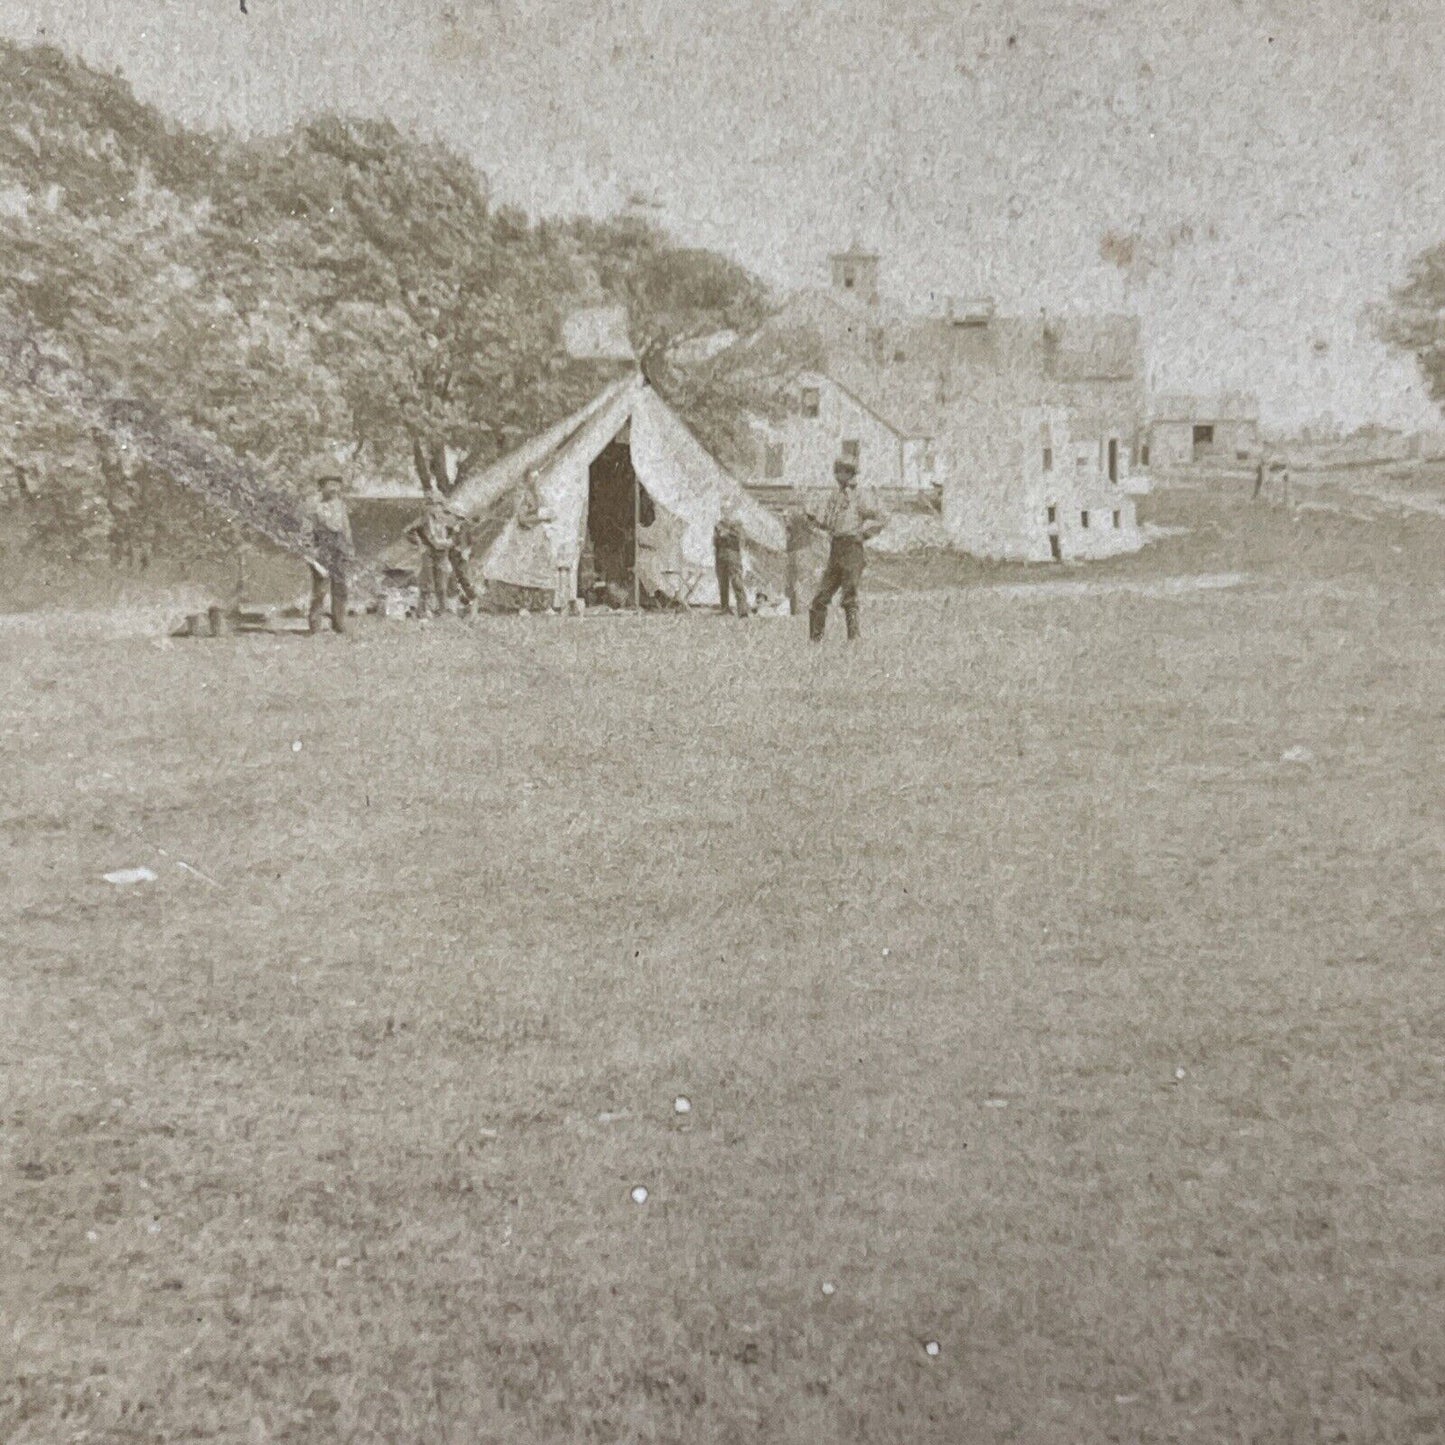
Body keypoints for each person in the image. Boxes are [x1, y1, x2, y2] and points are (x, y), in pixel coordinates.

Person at [807, 456, 884, 642]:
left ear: (848, 473)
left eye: (839, 471)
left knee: (849, 597)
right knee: (819, 599)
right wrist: (814, 521)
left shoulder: (860, 495)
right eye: (836, 471)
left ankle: (854, 639)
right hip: (836, 548)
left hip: (852, 550)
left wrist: (864, 535)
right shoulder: (835, 496)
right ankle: (815, 641)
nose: (836, 475)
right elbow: (829, 523)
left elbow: (881, 517)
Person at [305, 463, 354, 635]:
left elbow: (346, 530)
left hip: (340, 553)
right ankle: (315, 626)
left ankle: (339, 624)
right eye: (330, 484)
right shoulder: (314, 508)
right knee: (320, 591)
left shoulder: (341, 506)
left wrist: (349, 552)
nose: (334, 488)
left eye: (337, 484)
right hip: (322, 554)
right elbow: (307, 535)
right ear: (322, 487)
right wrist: (312, 559)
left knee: (341, 590)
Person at [404, 487, 455, 618]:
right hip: (428, 553)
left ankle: (442, 611)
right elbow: (409, 531)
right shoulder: (425, 520)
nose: (436, 507)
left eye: (438, 504)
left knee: (442, 584)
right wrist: (419, 542)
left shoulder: (447, 519)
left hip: (442, 554)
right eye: (432, 504)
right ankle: (421, 611)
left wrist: (450, 541)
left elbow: (455, 534)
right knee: (426, 583)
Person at [712, 500, 749, 618]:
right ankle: (725, 608)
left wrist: (727, 534)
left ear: (731, 511)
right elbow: (714, 541)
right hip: (720, 556)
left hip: (733, 556)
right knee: (722, 583)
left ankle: (743, 611)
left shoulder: (738, 524)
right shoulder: (718, 524)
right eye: (723, 510)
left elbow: (741, 540)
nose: (725, 512)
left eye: (727, 510)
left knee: (737, 582)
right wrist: (719, 538)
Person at [784, 507, 812, 616]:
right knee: (798, 582)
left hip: (794, 552)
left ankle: (795, 611)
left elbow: (788, 536)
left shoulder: (790, 522)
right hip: (801, 551)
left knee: (794, 582)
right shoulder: (803, 519)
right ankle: (797, 611)